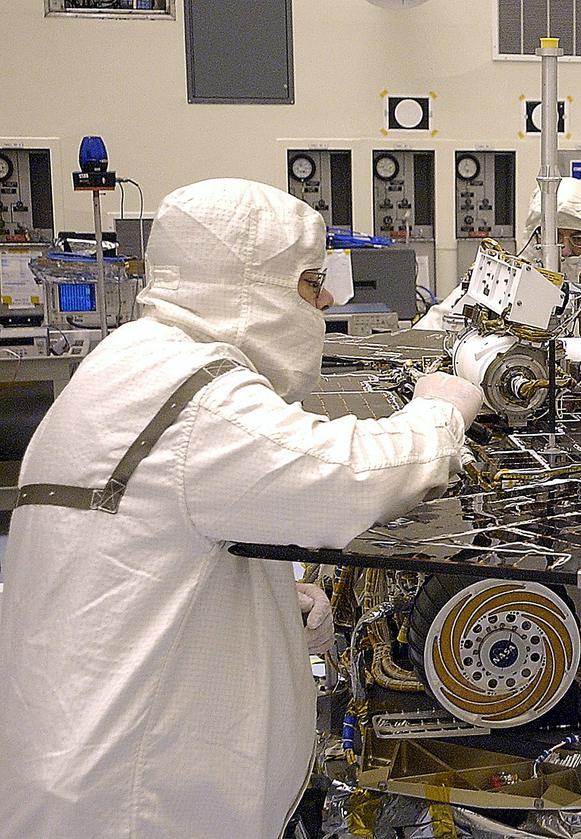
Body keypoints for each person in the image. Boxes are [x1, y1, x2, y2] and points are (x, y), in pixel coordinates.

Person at [0, 179, 483, 839]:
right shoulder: (196, 393)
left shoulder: (130, 363)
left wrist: (275, 602)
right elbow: (352, 476)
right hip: (135, 805)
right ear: (257, 283)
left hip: (86, 769)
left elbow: (138, 559)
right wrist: (441, 412)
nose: (322, 303)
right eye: (312, 284)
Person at [418, 176, 581, 330]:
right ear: (533, 236)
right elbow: (430, 329)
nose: (565, 250)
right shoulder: (498, 282)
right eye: (554, 238)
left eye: (578, 239)